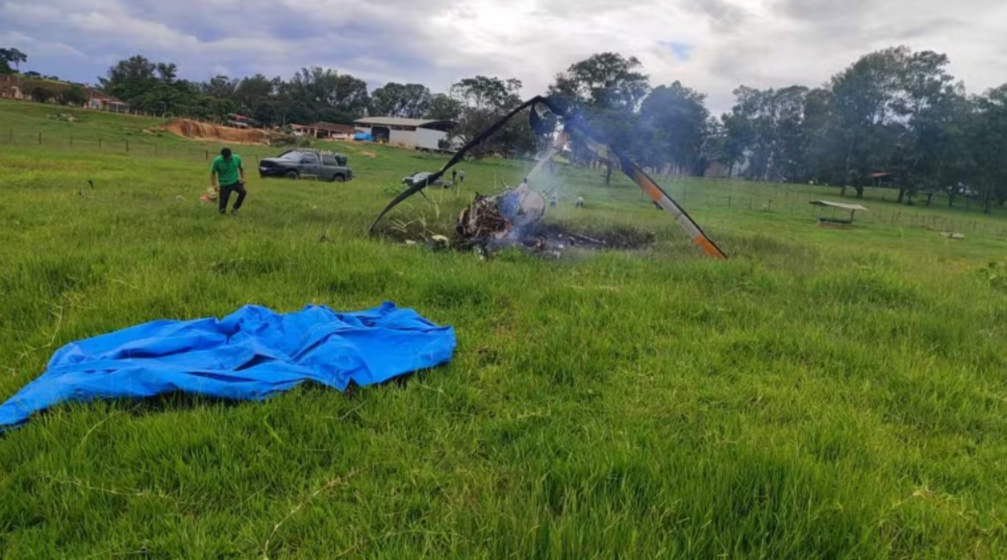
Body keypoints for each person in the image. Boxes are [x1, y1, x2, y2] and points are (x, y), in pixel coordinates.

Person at [211, 147, 246, 215]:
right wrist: (214, 184)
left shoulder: (237, 158)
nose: (227, 159)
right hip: (224, 184)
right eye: (225, 158)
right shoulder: (217, 161)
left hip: (235, 182)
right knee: (222, 210)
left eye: (228, 157)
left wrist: (243, 178)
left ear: (231, 154)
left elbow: (241, 169)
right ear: (222, 156)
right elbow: (213, 173)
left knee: (243, 192)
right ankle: (222, 211)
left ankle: (235, 208)